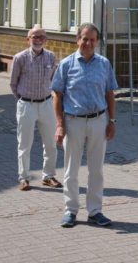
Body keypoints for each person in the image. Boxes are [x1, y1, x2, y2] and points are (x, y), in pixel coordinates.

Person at [51, 23, 118, 229]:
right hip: (74, 121)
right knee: (71, 169)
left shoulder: (104, 64)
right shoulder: (66, 64)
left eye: (92, 39)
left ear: (97, 41)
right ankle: (70, 210)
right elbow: (57, 95)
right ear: (77, 39)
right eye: (84, 39)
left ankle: (95, 211)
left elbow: (110, 93)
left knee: (96, 169)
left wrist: (112, 121)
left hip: (98, 120)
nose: (88, 43)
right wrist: (60, 124)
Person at [10, 25, 61, 191]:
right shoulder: (20, 58)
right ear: (28, 39)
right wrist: (23, 100)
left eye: (41, 37)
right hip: (27, 105)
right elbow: (13, 83)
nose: (38, 40)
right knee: (24, 144)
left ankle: (49, 176)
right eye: (35, 37)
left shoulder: (51, 57)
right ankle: (24, 178)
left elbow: (54, 80)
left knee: (51, 143)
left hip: (47, 104)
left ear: (46, 40)